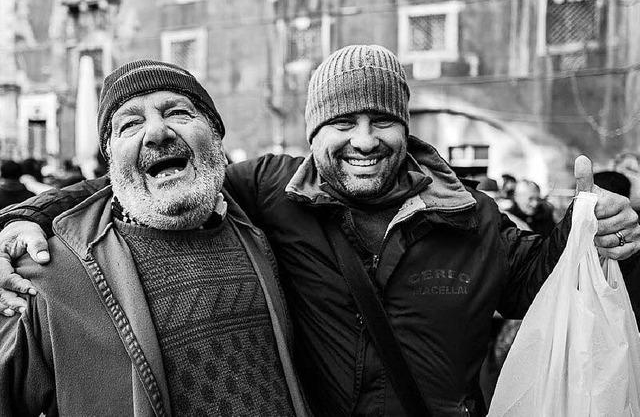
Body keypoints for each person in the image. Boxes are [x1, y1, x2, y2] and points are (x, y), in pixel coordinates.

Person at [1, 45, 640, 416]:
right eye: (341, 123)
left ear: (405, 128)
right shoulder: (272, 191)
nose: (363, 141)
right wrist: (23, 216)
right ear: (313, 134)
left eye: (380, 120)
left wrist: (598, 234)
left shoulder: (472, 216)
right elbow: (152, 173)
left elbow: (547, 282)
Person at [0, 60, 307, 416]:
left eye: (177, 112)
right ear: (112, 160)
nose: (157, 132)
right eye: (130, 124)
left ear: (217, 137)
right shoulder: (45, 274)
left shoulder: (261, 223)